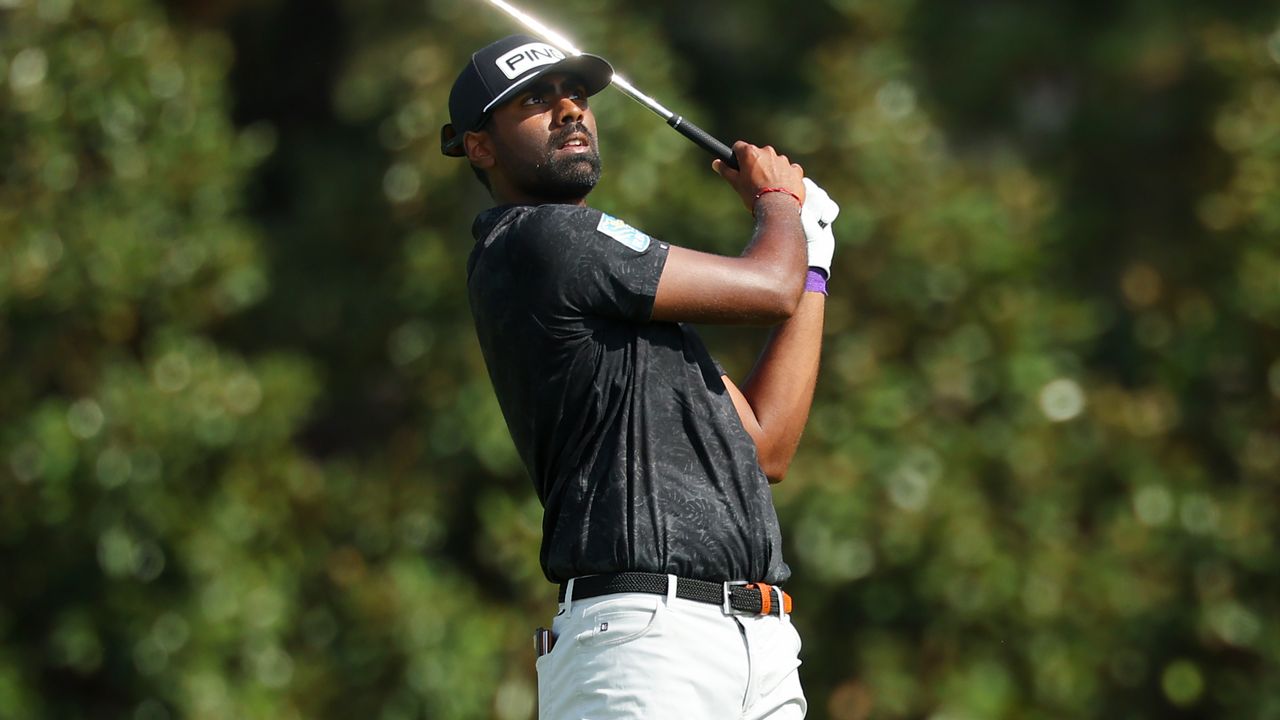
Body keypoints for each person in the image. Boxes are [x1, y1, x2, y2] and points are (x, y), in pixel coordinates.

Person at [440, 34, 838, 720]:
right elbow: (767, 289)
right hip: (644, 643)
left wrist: (814, 263)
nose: (570, 111)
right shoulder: (538, 238)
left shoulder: (622, 311)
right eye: (535, 101)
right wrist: (778, 203)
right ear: (480, 146)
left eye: (577, 97)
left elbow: (767, 445)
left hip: (760, 648)